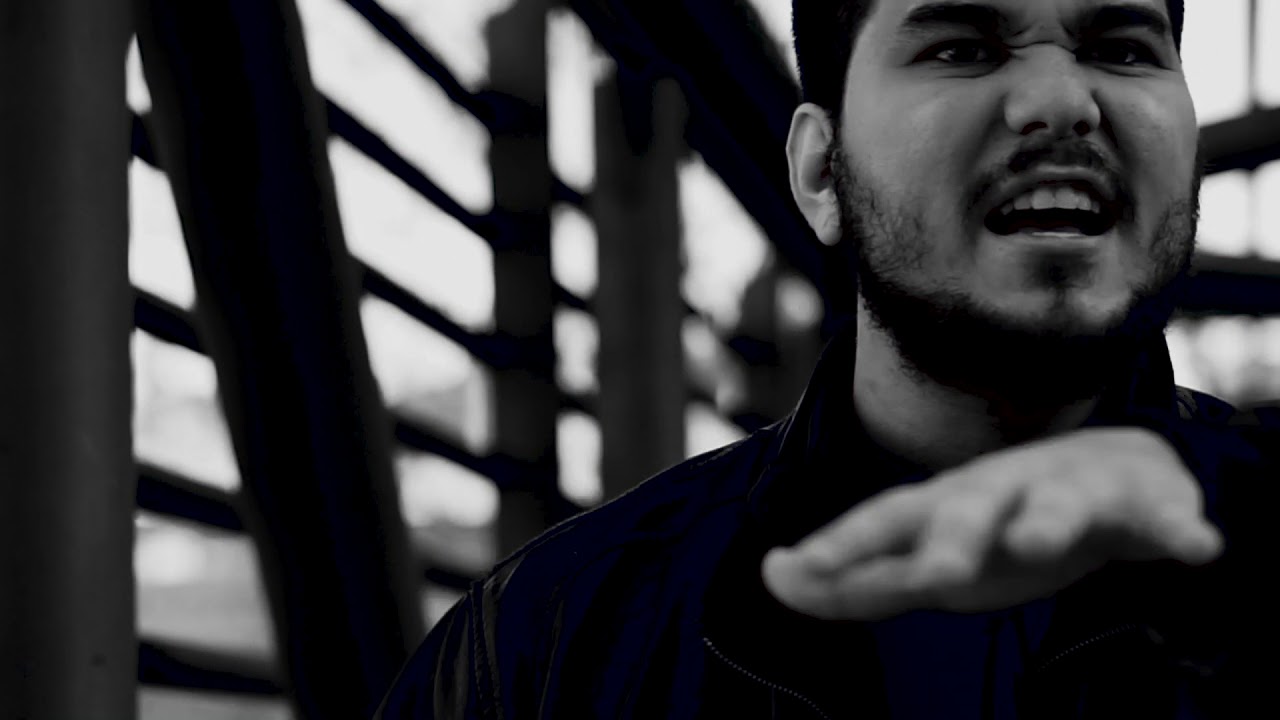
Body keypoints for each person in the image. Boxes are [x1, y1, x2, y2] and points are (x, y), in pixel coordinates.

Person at [375, 1, 1280, 717]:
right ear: (820, 172)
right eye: (962, 47)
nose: (1061, 102)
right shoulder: (537, 652)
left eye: (1122, 48)